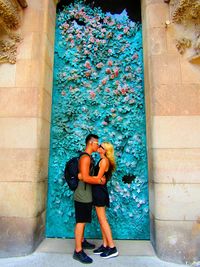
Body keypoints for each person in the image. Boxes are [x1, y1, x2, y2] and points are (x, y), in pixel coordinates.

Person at [73, 134, 106, 264]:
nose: (98, 146)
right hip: (82, 195)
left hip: (86, 194)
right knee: (81, 221)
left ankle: (82, 241)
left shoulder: (88, 157)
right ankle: (78, 251)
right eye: (97, 143)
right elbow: (85, 178)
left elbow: (84, 176)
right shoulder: (85, 158)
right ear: (91, 143)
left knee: (84, 220)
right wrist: (99, 180)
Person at [92, 142, 118, 259]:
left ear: (105, 150)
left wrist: (83, 177)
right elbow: (99, 178)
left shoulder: (103, 161)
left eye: (101, 147)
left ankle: (112, 248)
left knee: (103, 220)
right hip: (99, 191)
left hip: (99, 192)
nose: (99, 147)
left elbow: (98, 179)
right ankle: (105, 244)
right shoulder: (102, 160)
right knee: (102, 220)